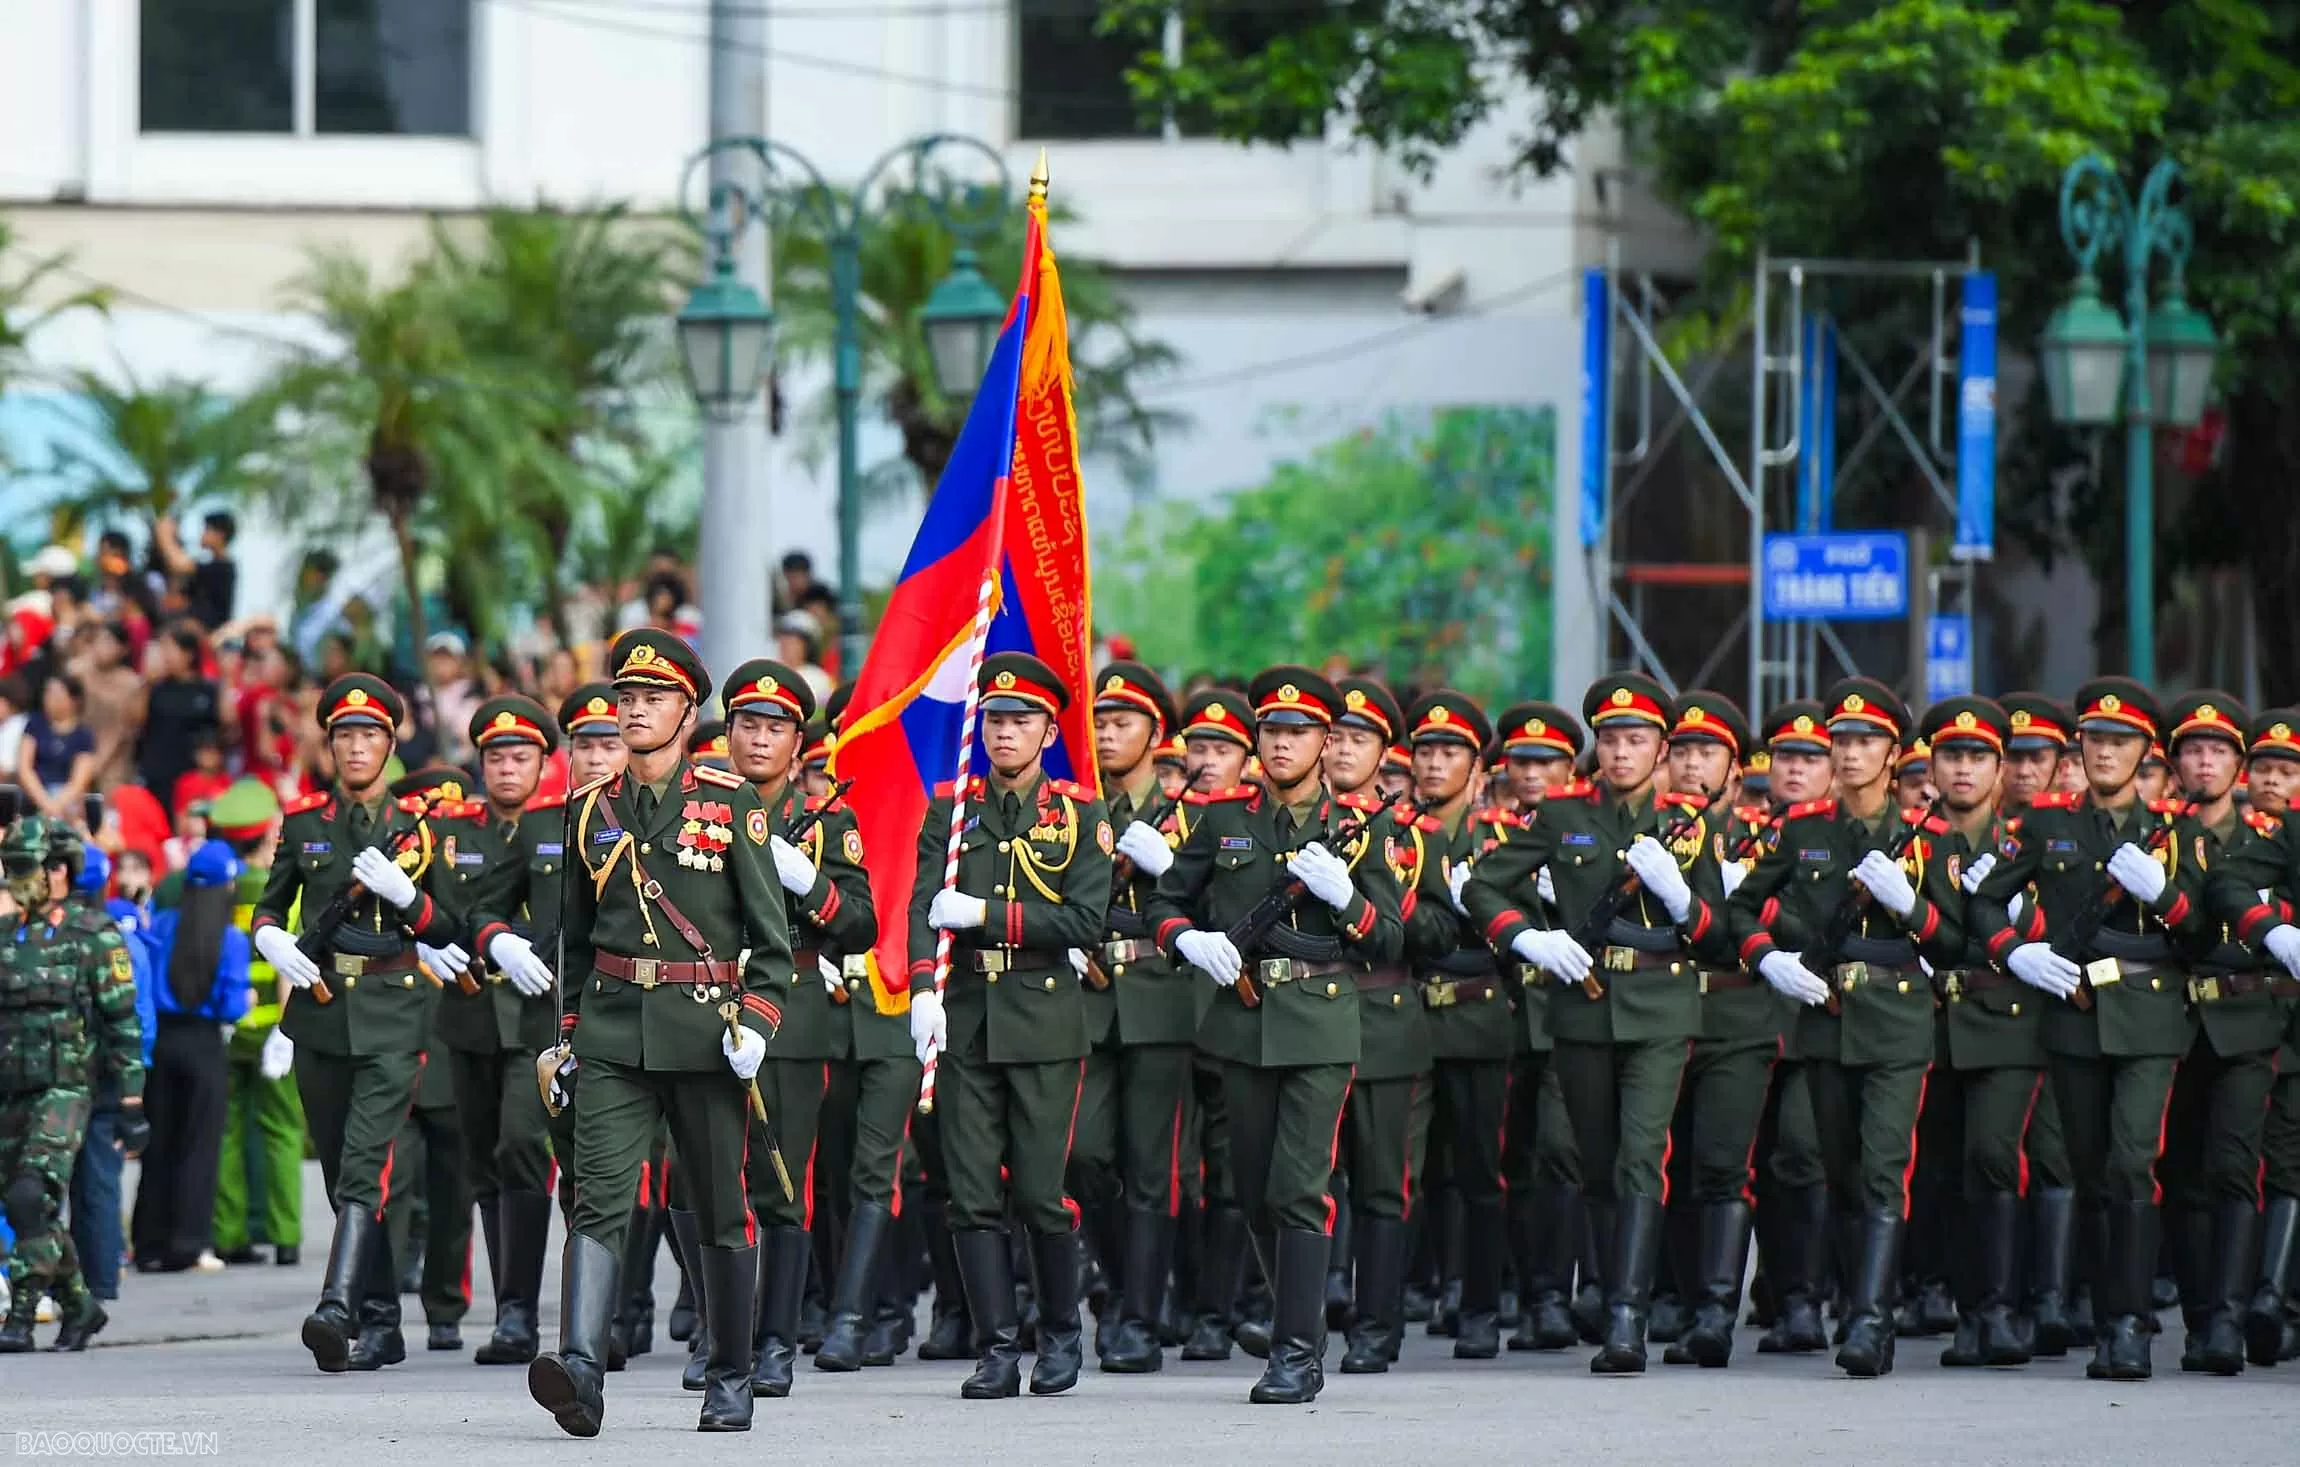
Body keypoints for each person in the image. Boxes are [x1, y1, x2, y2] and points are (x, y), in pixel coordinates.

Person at [525, 628, 795, 1438]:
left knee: (717, 1203)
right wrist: (569, 1034)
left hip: (704, 1031)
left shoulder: (731, 804)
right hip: (613, 1031)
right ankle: (580, 1367)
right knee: (598, 1197)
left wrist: (757, 1022)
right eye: (627, 697)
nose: (635, 710)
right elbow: (575, 943)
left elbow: (771, 943)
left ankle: (732, 1372)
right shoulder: (588, 810)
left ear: (686, 712)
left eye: (654, 698)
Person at [1148, 666, 1403, 1404]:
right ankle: (1305, 1329)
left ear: (1326, 742)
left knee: (1299, 1186)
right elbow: (1166, 900)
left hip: (1321, 1021)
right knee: (1254, 1189)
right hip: (1242, 1017)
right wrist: (1189, 940)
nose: (1283, 743)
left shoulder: (1362, 827)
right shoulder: (1224, 817)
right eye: (1272, 731)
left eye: (1299, 732)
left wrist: (1346, 897)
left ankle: (1293, 1353)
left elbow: (1389, 938)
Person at [1465, 675, 1727, 1376]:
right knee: (1598, 1160)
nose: (1620, 752)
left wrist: (1679, 896)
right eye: (1610, 739)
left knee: (1642, 1155)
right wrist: (1526, 937)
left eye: (1636, 740)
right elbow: (1483, 885)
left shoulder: (1689, 822)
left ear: (1661, 749)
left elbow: (1719, 934)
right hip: (1581, 1004)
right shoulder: (1561, 814)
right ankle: (1615, 1297)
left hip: (1661, 1006)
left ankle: (1626, 1318)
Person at [1970, 677, 2197, 1382]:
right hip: (2073, 1012)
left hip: (2149, 1015)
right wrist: (2016, 952)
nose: (2104, 752)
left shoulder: (2175, 831)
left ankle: (2130, 1323)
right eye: (2095, 739)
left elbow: (2207, 932)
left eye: (2120, 741)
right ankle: (2107, 1318)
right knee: (2094, 1171)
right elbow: (1986, 902)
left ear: (2145, 751)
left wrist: (2167, 896)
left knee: (2132, 1162)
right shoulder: (2046, 825)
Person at [906, 651, 1113, 1402]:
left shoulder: (1080, 815)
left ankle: (1058, 1332)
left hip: (1043, 1018)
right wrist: (922, 990)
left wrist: (987, 914)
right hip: (966, 1016)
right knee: (969, 1192)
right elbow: (921, 905)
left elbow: (1085, 920)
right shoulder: (951, 808)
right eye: (994, 718)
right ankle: (995, 1347)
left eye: (1021, 720)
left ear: (1048, 731)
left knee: (1039, 1191)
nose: (1004, 731)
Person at [252, 673, 463, 1374]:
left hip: (395, 1008)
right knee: (343, 1167)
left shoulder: (422, 826)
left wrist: (408, 897)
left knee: (367, 1163)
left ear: (390, 744)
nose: (356, 746)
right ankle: (380, 1320)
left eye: (369, 734)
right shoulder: (305, 821)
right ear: (330, 744)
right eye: (344, 734)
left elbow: (449, 923)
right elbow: (272, 903)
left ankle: (339, 1306)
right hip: (320, 1010)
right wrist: (269, 938)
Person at [715, 658, 874, 1394]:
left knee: (783, 1179)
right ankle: (722, 1334)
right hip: (707, 1001)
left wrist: (810, 884)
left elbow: (861, 925)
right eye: (747, 724)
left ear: (797, 744)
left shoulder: (826, 823)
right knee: (711, 1176)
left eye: (774, 728)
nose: (758, 738)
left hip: (794, 1010)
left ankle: (776, 1340)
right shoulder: (699, 809)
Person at [424, 697, 565, 1367]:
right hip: (470, 1008)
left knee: (521, 1144)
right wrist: (425, 940)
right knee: (482, 1155)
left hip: (535, 1014)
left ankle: (518, 1308)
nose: (508, 768)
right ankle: (511, 1304)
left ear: (542, 762)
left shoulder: (563, 823)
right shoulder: (453, 830)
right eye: (496, 757)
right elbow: (437, 907)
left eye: (521, 756)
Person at [1074, 660, 1192, 1375]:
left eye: (1122, 723)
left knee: (1152, 1166)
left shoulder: (1188, 816)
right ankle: (1120, 1285)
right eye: (1101, 723)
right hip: (1089, 996)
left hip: (1159, 993)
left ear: (1156, 733)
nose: (1108, 734)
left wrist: (1172, 867)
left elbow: (1218, 902)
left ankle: (1140, 1316)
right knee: (1083, 1154)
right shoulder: (1078, 811)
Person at [2169, 693, 2284, 1374]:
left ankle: (2227, 1320)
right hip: (2176, 1019)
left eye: (2218, 751)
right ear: (2176, 763)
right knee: (2181, 1171)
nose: (2205, 762)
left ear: (2238, 765)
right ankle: (2196, 1314)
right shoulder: (2160, 834)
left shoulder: (2268, 837)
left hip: (2247, 1017)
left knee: (2234, 1167)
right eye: (2193, 750)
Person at [0, 816, 147, 1352]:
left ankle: (20, 1315)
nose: (15, 880)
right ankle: (81, 1306)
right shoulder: (6, 934)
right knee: (28, 1207)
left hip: (65, 1089)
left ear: (58, 871)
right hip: (10, 1090)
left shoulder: (93, 935)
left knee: (29, 1196)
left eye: (25, 869)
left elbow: (122, 1023)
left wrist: (131, 1101)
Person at [1400, 690, 1509, 1363]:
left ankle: (1479, 1305)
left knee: (1477, 1167)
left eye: (1450, 752)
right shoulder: (1394, 834)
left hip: (1475, 1011)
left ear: (1477, 768)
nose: (1435, 763)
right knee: (1406, 1167)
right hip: (1410, 1010)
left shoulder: (1497, 839)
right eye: (1426, 751)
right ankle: (1404, 1294)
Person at [131, 839, 251, 1272]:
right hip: (203, 1044)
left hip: (163, 1041)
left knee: (159, 1142)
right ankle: (189, 1242)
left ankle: (149, 1242)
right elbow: (232, 1007)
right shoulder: (231, 939)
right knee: (199, 1146)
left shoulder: (161, 924)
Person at [201, 779, 304, 1268]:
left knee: (226, 1131)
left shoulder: (213, 887)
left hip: (224, 1029)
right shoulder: (283, 890)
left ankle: (228, 1232)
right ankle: (285, 1236)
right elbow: (291, 964)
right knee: (281, 1130)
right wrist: (286, 1028)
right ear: (267, 835)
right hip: (273, 1031)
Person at [136, 624, 221, 812]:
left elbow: (226, 725)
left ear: (188, 654)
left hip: (192, 777)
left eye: (168, 649)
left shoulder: (207, 690)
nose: (163, 656)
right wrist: (146, 683)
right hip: (156, 773)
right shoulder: (156, 688)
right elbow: (136, 721)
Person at [20, 673, 97, 822]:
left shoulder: (84, 735)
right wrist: (45, 803)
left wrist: (56, 805)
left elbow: (79, 781)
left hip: (66, 800)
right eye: (47, 693)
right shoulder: (35, 724)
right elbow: (25, 769)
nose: (49, 698)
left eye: (56, 694)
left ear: (74, 701)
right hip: (36, 795)